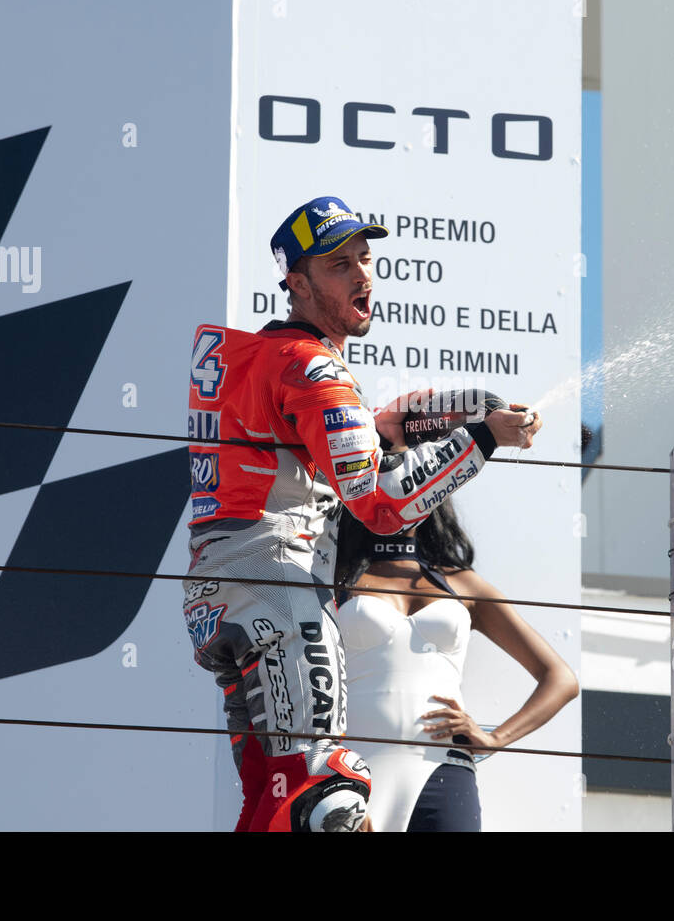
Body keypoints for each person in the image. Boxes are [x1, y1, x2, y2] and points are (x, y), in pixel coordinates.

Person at [182, 196, 543, 832]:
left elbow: (348, 433)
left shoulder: (260, 357)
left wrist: (453, 415)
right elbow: (379, 507)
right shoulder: (316, 368)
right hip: (280, 590)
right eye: (338, 264)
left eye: (365, 259)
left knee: (272, 799)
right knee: (327, 799)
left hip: (221, 596)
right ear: (297, 283)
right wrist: (482, 441)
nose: (362, 275)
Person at [334, 499, 579, 831]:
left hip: (444, 770)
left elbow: (560, 678)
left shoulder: (463, 583)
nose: (397, 497)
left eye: (411, 485)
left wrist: (495, 738)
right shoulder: (332, 577)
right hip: (353, 767)